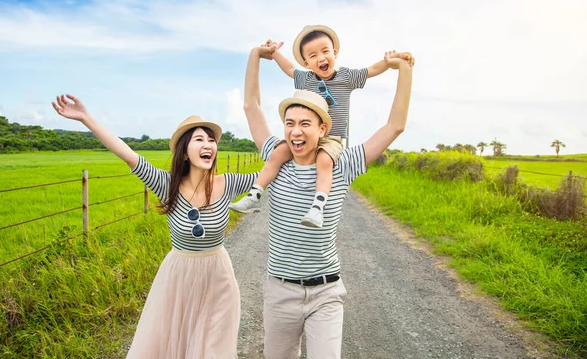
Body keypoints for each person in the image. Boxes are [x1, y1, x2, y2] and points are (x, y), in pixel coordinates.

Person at [51, 94, 258, 359]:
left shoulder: (228, 183)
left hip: (218, 278)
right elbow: (127, 154)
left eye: (211, 140)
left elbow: (272, 172)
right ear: (184, 151)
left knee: (213, 350)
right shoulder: (166, 184)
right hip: (178, 277)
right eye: (199, 139)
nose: (208, 145)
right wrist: (85, 117)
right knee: (172, 345)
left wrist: (310, 144)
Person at [242, 44, 414, 358]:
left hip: (326, 292)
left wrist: (403, 69)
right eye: (289, 123)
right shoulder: (275, 161)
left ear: (323, 128)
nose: (295, 131)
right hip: (280, 291)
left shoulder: (342, 164)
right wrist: (255, 56)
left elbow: (394, 126)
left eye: (304, 124)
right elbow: (252, 106)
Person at [230, 24, 414, 228]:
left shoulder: (347, 77)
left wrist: (393, 64)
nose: (321, 58)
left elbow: (373, 72)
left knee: (325, 159)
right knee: (279, 151)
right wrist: (270, 53)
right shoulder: (305, 78)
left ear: (335, 52)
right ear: (307, 63)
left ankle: (317, 207)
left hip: (332, 140)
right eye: (313, 55)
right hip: (311, 138)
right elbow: (288, 70)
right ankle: (255, 194)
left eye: (325, 51)